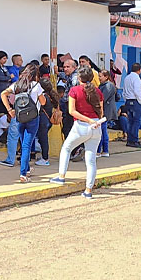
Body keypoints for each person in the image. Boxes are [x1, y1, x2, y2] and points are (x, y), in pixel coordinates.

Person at [50, 66, 104, 198]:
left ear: (79, 78)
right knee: (91, 160)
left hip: (81, 126)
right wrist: (93, 120)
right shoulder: (98, 91)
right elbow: (101, 112)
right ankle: (88, 191)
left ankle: (61, 176)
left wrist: (87, 120)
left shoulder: (74, 90)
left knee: (66, 148)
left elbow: (72, 111)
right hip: (96, 126)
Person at [0, 64, 45, 182]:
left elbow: (3, 94)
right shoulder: (36, 85)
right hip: (33, 118)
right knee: (26, 146)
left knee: (23, 142)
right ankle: (23, 173)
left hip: (19, 117)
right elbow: (43, 102)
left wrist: (9, 110)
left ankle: (27, 169)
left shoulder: (17, 85)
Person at [36, 78, 61, 166]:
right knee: (43, 139)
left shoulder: (44, 97)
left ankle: (45, 158)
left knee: (43, 139)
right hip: (49, 119)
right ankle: (43, 156)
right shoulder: (52, 95)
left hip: (43, 120)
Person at [122, 63, 141, 148]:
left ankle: (129, 140)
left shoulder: (127, 78)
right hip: (136, 102)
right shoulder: (136, 78)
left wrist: (126, 100)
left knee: (130, 121)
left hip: (128, 101)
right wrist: (140, 101)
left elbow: (124, 91)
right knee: (136, 122)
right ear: (139, 70)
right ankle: (134, 140)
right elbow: (138, 91)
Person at [98, 69, 118, 158]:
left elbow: (103, 98)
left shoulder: (108, 86)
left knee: (102, 131)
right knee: (102, 130)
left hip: (106, 111)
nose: (99, 78)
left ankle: (102, 150)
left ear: (106, 77)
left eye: (100, 76)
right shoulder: (103, 85)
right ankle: (103, 150)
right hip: (104, 110)